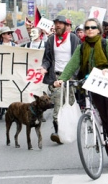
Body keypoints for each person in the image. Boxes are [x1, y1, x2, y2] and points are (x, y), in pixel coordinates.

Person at [54, 18, 108, 161]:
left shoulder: (106, 43)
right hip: (93, 84)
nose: (90, 30)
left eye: (93, 27)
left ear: (99, 30)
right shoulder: (81, 47)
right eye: (87, 27)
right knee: (104, 116)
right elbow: (72, 64)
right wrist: (62, 79)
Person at [40, 15, 80, 144]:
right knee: (57, 103)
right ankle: (57, 132)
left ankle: (69, 127)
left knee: (69, 102)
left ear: (66, 26)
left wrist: (75, 75)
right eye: (56, 23)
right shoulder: (51, 40)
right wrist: (44, 67)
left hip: (69, 76)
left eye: (60, 23)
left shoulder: (73, 39)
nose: (57, 25)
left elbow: (78, 58)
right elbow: (47, 58)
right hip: (55, 77)